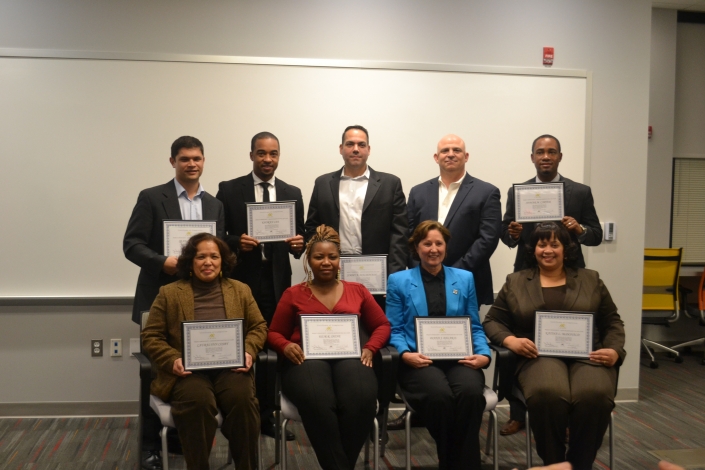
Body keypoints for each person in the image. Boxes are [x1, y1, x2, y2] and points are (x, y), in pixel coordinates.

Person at [483, 222, 625, 470]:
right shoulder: (516, 282)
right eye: (542, 244)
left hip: (588, 354)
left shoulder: (591, 279)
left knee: (594, 395)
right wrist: (511, 341)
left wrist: (614, 350)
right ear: (533, 249)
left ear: (566, 249)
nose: (548, 250)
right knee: (548, 393)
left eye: (554, 244)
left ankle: (580, 464)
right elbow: (493, 320)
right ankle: (554, 463)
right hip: (537, 355)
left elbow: (612, 321)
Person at [123, 135, 225, 469]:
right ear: (173, 162)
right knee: (155, 371)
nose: (191, 164)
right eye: (184, 159)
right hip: (159, 298)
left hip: (200, 301)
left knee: (194, 367)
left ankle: (183, 438)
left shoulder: (215, 205)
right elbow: (132, 244)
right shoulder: (152, 197)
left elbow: (217, 250)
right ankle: (150, 445)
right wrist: (162, 261)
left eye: (197, 158)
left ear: (204, 161)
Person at [499, 134, 603, 436]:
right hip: (527, 276)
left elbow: (595, 234)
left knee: (567, 339)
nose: (546, 157)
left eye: (551, 152)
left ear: (560, 156)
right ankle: (519, 413)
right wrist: (514, 232)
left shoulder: (580, 192)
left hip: (569, 275)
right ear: (532, 157)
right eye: (540, 152)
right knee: (522, 338)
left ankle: (567, 415)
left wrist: (579, 228)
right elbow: (506, 236)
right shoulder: (518, 191)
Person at [268, 225, 391, 470]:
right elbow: (273, 333)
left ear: (339, 261)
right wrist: (285, 345)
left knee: (362, 398)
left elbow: (382, 325)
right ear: (308, 261)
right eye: (319, 256)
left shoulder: (358, 290)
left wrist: (370, 348)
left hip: (351, 358)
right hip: (305, 360)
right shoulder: (293, 293)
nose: (326, 262)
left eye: (332, 257)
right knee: (318, 402)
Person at [141, 233, 267, 470]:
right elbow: (150, 336)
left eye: (214, 256)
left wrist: (248, 351)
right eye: (201, 257)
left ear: (223, 261)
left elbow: (259, 327)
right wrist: (172, 359)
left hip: (231, 368)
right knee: (198, 402)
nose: (208, 262)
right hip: (188, 371)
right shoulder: (169, 293)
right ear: (190, 261)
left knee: (243, 402)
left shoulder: (240, 290)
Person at [215, 131, 304, 439]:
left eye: (273, 154)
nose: (268, 159)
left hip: (277, 284)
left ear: (279, 156)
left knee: (271, 351)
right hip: (240, 283)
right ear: (251, 155)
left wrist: (298, 245)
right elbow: (217, 234)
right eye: (262, 153)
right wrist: (236, 242)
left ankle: (266, 417)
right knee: (237, 349)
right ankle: (234, 415)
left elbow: (299, 240)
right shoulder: (229, 189)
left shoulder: (292, 191)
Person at [386, 220, 492, 470]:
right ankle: (459, 462)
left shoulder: (465, 279)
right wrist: (404, 355)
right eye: (427, 243)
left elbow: (474, 326)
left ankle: (452, 462)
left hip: (460, 358)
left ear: (446, 246)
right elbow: (395, 328)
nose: (433, 249)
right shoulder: (399, 281)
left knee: (469, 394)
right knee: (440, 397)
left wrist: (484, 355)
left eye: (439, 243)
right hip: (418, 360)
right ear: (416, 247)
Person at [304, 125, 407, 309]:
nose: (355, 149)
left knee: (376, 329)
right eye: (350, 144)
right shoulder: (322, 183)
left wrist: (394, 278)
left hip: (378, 278)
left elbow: (399, 235)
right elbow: (312, 227)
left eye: (361, 144)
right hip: (333, 275)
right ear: (341, 148)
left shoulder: (390, 184)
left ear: (368, 149)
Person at [406, 134, 501, 308]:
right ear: (436, 157)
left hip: (466, 278)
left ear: (466, 156)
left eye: (456, 150)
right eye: (445, 151)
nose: (450, 154)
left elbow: (488, 239)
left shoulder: (486, 192)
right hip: (422, 279)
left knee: (464, 332)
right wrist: (420, 269)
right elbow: (409, 235)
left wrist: (454, 272)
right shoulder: (417, 192)